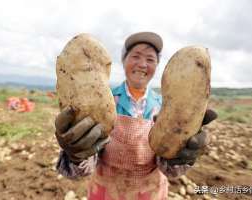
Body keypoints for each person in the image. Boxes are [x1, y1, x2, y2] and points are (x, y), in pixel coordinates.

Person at [55, 32, 217, 200]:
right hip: (105, 193)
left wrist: (179, 157)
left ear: (158, 67)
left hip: (149, 194)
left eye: (150, 59)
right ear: (124, 61)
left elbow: (169, 171)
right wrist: (75, 154)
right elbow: (81, 171)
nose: (142, 64)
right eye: (136, 56)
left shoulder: (166, 107)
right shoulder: (100, 102)